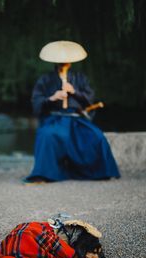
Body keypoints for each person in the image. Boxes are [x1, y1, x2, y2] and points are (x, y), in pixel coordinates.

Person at [25, 41, 120, 183]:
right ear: (56, 63)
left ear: (70, 63)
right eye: (61, 61)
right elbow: (37, 102)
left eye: (66, 61)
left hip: (76, 119)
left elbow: (90, 99)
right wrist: (52, 98)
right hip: (55, 118)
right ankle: (44, 174)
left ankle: (100, 172)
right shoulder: (45, 79)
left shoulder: (80, 78)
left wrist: (74, 92)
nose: (64, 63)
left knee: (97, 136)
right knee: (46, 134)